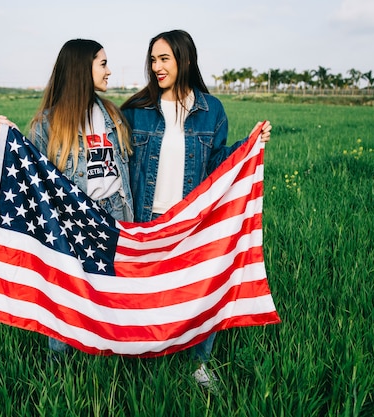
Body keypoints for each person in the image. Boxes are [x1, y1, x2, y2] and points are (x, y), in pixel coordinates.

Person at [120, 29, 272, 390]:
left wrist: (248, 145)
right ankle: (138, 363)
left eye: (164, 59)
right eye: (153, 59)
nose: (156, 67)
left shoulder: (211, 110)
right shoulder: (135, 110)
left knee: (200, 292)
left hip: (191, 223)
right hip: (146, 221)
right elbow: (116, 162)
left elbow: (219, 164)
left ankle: (197, 366)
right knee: (144, 297)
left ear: (185, 60)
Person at [0, 38, 134, 355]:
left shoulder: (114, 115)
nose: (109, 71)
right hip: (72, 220)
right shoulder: (47, 123)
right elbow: (34, 179)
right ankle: (62, 370)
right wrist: (12, 141)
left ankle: (113, 354)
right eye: (103, 63)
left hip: (116, 215)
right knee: (67, 293)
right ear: (80, 69)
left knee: (113, 290)